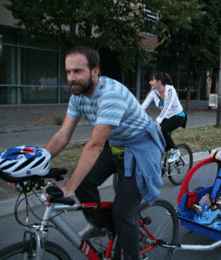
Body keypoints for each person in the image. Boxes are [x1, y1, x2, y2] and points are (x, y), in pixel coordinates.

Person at [44, 46, 165, 260]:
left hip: (141, 148)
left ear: (95, 71)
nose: (72, 78)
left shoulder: (111, 95)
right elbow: (63, 136)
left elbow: (95, 145)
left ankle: (131, 252)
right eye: (68, 72)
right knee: (84, 182)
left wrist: (67, 189)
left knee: (123, 212)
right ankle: (104, 226)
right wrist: (34, 163)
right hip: (117, 145)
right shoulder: (79, 95)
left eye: (78, 71)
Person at [142, 72, 187, 163]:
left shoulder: (170, 90)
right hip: (166, 117)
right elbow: (142, 107)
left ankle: (175, 150)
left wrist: (157, 121)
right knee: (153, 132)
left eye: (152, 80)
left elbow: (167, 107)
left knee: (162, 130)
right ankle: (161, 156)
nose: (150, 82)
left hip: (178, 116)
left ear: (159, 82)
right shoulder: (153, 92)